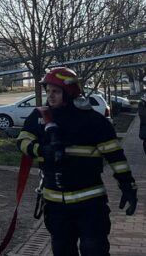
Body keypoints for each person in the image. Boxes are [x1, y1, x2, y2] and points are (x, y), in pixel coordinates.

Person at [16, 67, 138, 255]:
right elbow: (23, 140)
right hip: (56, 205)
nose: (50, 96)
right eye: (48, 91)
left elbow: (115, 156)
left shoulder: (93, 121)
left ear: (70, 92)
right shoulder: (40, 117)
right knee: (62, 250)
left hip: (90, 204)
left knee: (94, 249)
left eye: (55, 91)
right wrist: (40, 150)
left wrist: (127, 185)